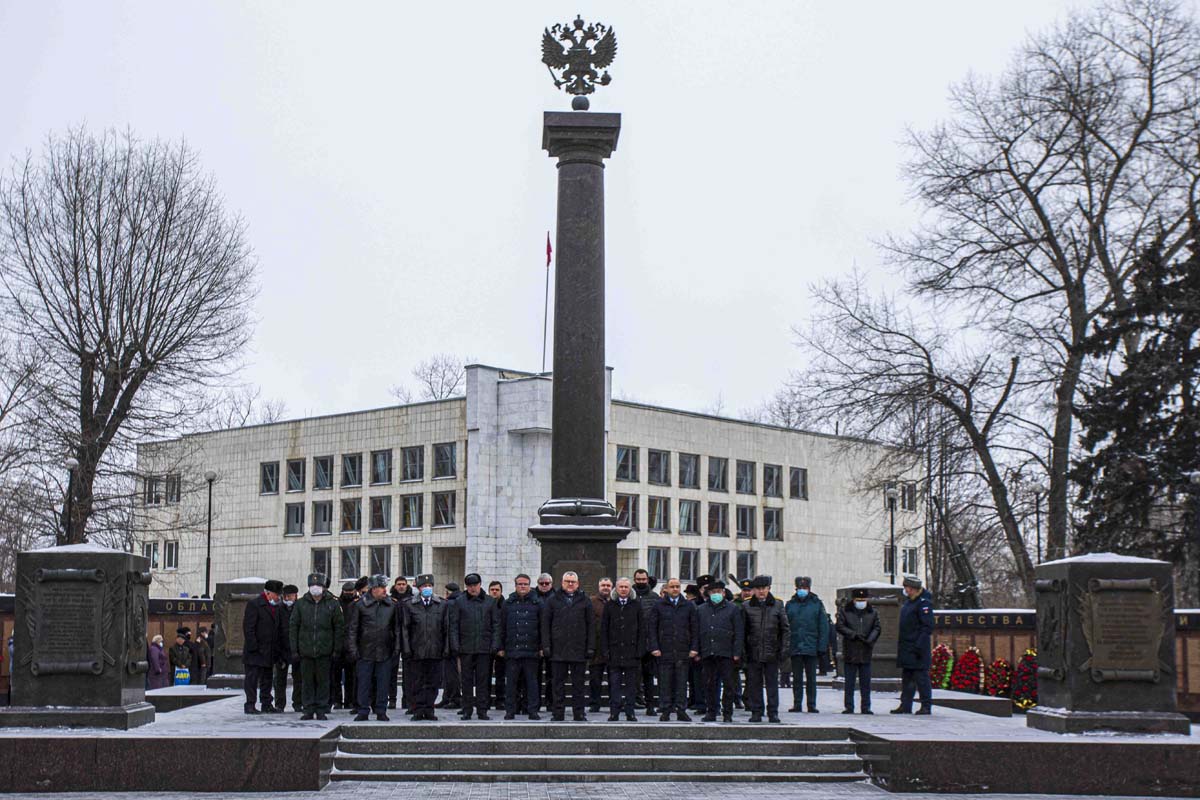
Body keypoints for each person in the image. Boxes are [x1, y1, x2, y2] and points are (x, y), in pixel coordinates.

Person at [289, 572, 345, 720]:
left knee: (323, 681)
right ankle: (308, 709)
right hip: (305, 650)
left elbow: (339, 628)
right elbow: (294, 627)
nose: (315, 588)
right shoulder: (301, 604)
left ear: (324, 587)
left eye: (318, 585)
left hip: (325, 650)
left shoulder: (332, 603)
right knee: (306, 681)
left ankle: (321, 708)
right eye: (313, 585)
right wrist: (294, 649)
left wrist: (336, 649)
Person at [347, 574, 401, 721]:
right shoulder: (360, 605)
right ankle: (363, 710)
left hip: (385, 651)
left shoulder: (392, 605)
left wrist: (396, 648)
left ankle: (381, 710)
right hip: (365, 651)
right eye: (381, 587)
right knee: (364, 683)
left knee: (383, 683)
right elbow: (353, 629)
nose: (385, 590)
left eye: (385, 587)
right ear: (373, 589)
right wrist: (353, 649)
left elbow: (396, 629)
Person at [542, 570, 593, 721]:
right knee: (558, 685)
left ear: (577, 584)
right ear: (562, 583)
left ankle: (579, 713)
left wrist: (590, 647)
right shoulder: (552, 600)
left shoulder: (585, 600)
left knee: (578, 685)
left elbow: (590, 625)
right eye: (567, 581)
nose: (570, 584)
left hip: (579, 650)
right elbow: (545, 625)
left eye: (573, 582)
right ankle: (558, 713)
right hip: (558, 650)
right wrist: (546, 645)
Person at [449, 573, 500, 720]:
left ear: (480, 584)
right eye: (469, 586)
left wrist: (494, 645)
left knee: (483, 681)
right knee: (466, 681)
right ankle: (467, 710)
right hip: (466, 648)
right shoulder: (460, 602)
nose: (472, 588)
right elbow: (454, 626)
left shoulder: (490, 602)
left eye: (475, 585)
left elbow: (496, 625)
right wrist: (455, 645)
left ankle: (482, 710)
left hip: (484, 649)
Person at [647, 577, 698, 722]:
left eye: (677, 586)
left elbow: (694, 628)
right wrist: (654, 646)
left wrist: (694, 647)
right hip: (664, 649)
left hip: (683, 649)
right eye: (672, 587)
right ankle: (666, 710)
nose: (675, 589)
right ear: (666, 589)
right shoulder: (659, 605)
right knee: (665, 682)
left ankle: (681, 709)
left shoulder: (688, 606)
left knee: (682, 682)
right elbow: (652, 628)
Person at [743, 576, 790, 723]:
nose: (761, 591)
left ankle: (773, 712)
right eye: (758, 589)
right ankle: (756, 711)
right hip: (753, 651)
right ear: (754, 590)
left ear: (769, 589)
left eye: (764, 588)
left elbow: (785, 629)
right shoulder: (747, 606)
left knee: (772, 684)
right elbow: (743, 631)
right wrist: (743, 650)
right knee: (754, 684)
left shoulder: (777, 605)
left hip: (772, 651)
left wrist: (784, 649)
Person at [696, 579, 743, 722]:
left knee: (729, 684)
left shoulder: (733, 609)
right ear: (708, 594)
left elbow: (739, 632)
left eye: (718, 592)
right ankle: (711, 711)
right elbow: (697, 631)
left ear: (723, 592)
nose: (716, 594)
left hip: (727, 653)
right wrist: (697, 651)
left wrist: (736, 652)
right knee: (709, 683)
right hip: (708, 652)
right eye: (713, 592)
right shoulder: (701, 609)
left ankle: (727, 712)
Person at [403, 574, 449, 720]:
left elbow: (446, 628)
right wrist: (406, 649)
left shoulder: (441, 604)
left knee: (433, 682)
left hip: (435, 651)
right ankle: (418, 709)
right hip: (417, 651)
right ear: (418, 588)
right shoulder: (409, 604)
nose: (427, 588)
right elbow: (405, 629)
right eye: (424, 586)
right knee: (416, 683)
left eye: (429, 586)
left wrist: (446, 648)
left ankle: (429, 709)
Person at [500, 573, 543, 720]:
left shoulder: (537, 603)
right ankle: (510, 711)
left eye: (525, 584)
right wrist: (500, 647)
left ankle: (532, 711)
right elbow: (502, 627)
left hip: (531, 650)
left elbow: (542, 626)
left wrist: (543, 647)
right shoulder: (508, 603)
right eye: (520, 584)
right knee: (511, 684)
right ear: (515, 586)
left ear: (530, 586)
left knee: (532, 684)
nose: (522, 586)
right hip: (512, 650)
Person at [785, 576, 829, 713]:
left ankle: (811, 704)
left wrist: (822, 647)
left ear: (809, 589)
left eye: (805, 588)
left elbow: (823, 627)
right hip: (795, 645)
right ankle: (797, 703)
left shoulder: (817, 604)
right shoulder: (790, 604)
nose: (802, 590)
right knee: (797, 678)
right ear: (796, 588)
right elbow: (785, 626)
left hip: (811, 646)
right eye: (800, 588)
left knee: (811, 678)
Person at [600, 577, 641, 722]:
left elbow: (642, 629)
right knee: (615, 685)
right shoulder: (610, 606)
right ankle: (614, 712)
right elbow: (604, 629)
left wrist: (639, 651)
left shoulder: (636, 605)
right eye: (621, 587)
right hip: (614, 653)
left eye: (626, 587)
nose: (623, 589)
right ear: (616, 589)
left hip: (632, 653)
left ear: (630, 589)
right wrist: (605, 650)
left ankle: (630, 712)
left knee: (631, 686)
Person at [243, 579, 287, 714]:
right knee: (252, 679)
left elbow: (279, 629)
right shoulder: (254, 605)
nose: (278, 598)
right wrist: (253, 646)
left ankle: (266, 703)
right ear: (268, 593)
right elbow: (248, 628)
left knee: (267, 679)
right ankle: (250, 704)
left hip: (270, 650)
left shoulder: (277, 607)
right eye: (276, 595)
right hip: (255, 651)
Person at [893, 576, 934, 716]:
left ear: (914, 589)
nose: (906, 591)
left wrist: (919, 645)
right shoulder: (909, 603)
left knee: (921, 679)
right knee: (907, 678)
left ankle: (926, 705)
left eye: (907, 588)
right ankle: (905, 705)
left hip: (917, 649)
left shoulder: (923, 603)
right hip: (907, 647)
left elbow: (927, 627)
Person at [837, 588, 881, 714]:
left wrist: (869, 639)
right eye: (858, 599)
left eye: (863, 599)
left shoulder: (872, 612)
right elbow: (840, 626)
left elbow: (877, 628)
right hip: (850, 650)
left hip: (865, 651)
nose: (861, 602)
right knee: (849, 682)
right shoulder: (846, 611)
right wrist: (853, 635)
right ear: (854, 600)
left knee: (865, 683)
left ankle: (866, 706)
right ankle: (849, 706)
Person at [632, 569, 659, 714]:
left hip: (649, 644)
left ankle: (650, 705)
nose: (641, 582)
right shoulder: (629, 596)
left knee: (648, 677)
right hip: (633, 644)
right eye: (638, 579)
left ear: (647, 580)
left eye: (643, 579)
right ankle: (633, 702)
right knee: (633, 676)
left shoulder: (654, 597)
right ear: (634, 579)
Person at [274, 586, 301, 712]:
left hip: (297, 648)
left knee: (299, 679)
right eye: (288, 596)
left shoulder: (300, 607)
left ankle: (298, 703)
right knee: (280, 679)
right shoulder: (279, 609)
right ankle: (280, 704)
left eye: (293, 595)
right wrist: (278, 651)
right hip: (282, 648)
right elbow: (276, 629)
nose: (290, 598)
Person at [388, 576, 413, 711]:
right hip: (393, 639)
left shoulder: (412, 600)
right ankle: (392, 699)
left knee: (408, 673)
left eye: (404, 584)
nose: (401, 586)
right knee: (392, 671)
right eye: (399, 584)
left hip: (408, 639)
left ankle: (407, 699)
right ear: (395, 586)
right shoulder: (390, 600)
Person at [437, 582, 463, 710]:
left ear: (448, 592)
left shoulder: (450, 603)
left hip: (449, 644)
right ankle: (447, 698)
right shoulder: (460, 601)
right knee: (448, 673)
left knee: (451, 673)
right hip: (454, 643)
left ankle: (453, 698)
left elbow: (448, 625)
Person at [333, 581, 358, 709]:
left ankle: (349, 700)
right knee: (336, 676)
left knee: (351, 676)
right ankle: (337, 700)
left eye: (350, 591)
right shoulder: (337, 603)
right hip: (338, 645)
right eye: (346, 591)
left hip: (351, 646)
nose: (348, 594)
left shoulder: (358, 604)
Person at [589, 577, 613, 712]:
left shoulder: (615, 602)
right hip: (596, 647)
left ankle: (613, 703)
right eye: (603, 585)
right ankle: (594, 703)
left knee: (613, 678)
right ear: (599, 586)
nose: (605, 587)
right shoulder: (592, 602)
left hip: (612, 647)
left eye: (608, 585)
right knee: (595, 679)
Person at [534, 573, 554, 709]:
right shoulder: (532, 597)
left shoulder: (557, 597)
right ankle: (535, 702)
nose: (545, 586)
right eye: (542, 583)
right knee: (534, 676)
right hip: (535, 641)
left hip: (553, 642)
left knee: (552, 675)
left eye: (547, 583)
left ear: (551, 584)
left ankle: (550, 702)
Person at [488, 580, 506, 709]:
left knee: (501, 676)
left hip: (501, 647)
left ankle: (500, 700)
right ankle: (485, 700)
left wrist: (501, 647)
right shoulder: (486, 604)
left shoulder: (505, 606)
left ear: (501, 591)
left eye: (497, 590)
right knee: (485, 676)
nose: (494, 592)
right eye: (492, 589)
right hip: (487, 646)